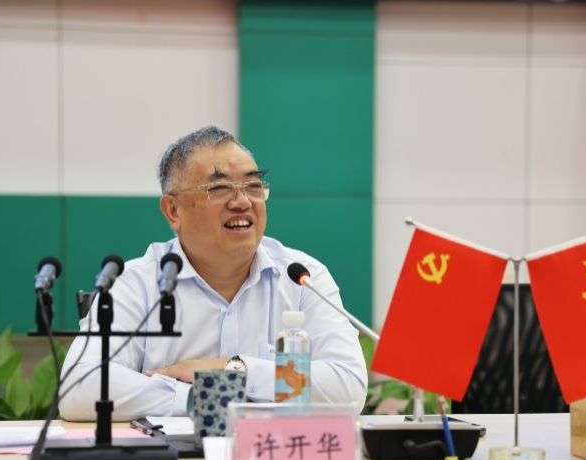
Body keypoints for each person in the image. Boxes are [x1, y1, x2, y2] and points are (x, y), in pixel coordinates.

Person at [59, 126, 368, 421]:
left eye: (253, 186)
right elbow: (79, 386)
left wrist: (235, 370)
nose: (242, 202)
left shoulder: (301, 279)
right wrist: (202, 398)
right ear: (174, 211)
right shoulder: (137, 284)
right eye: (219, 189)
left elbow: (348, 387)